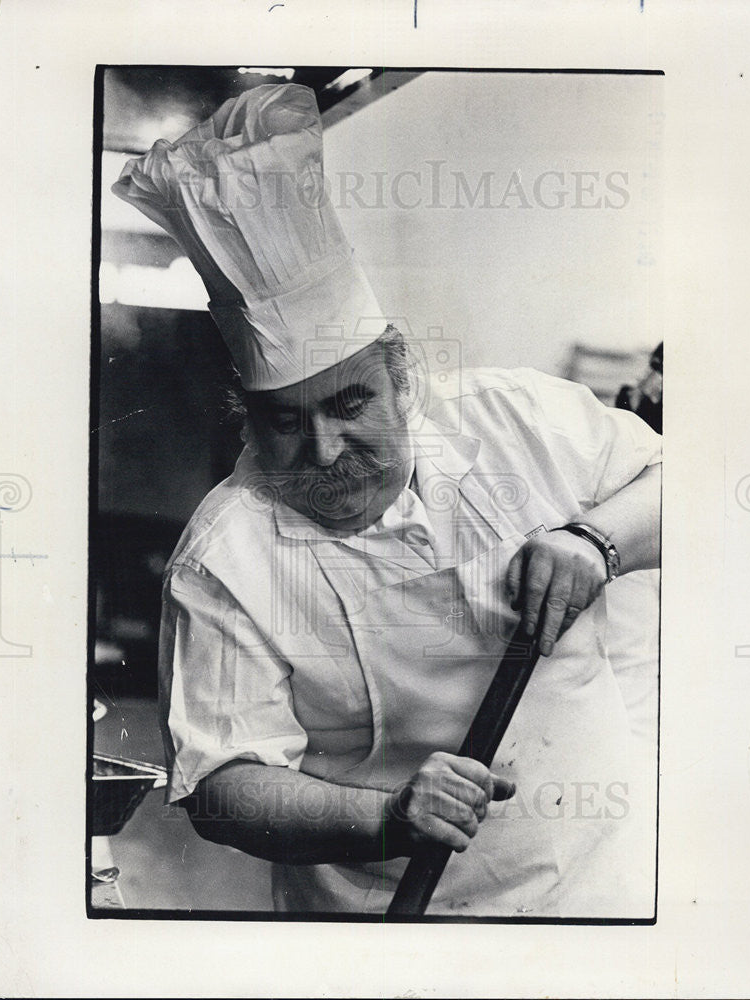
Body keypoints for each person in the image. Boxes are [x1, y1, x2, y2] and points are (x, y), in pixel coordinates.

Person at [113, 84, 661, 917]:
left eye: (349, 405)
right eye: (285, 421)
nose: (326, 452)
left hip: (599, 886)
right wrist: (390, 816)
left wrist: (596, 540)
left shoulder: (513, 418)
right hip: (383, 916)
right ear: (244, 415)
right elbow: (222, 787)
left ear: (401, 373)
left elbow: (701, 491)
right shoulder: (225, 553)